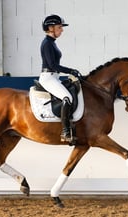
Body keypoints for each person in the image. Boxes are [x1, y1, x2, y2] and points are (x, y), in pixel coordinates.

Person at [39, 14, 82, 143]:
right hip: (48, 78)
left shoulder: (52, 43)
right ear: (51, 28)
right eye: (59, 27)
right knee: (67, 98)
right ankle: (65, 131)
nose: (62, 30)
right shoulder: (47, 43)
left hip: (54, 77)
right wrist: (71, 71)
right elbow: (53, 65)